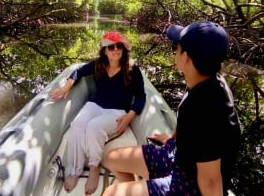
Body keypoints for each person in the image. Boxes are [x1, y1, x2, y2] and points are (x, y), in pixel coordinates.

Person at [102, 21, 241, 196]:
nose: (174, 51)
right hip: (178, 155)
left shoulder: (207, 109)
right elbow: (187, 118)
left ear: (187, 57)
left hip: (191, 183)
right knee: (111, 158)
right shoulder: (202, 79)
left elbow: (211, 181)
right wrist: (173, 138)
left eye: (177, 47)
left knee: (112, 193)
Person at [50, 31, 146, 195]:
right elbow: (78, 72)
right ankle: (75, 170)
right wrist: (67, 86)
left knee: (94, 127)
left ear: (123, 49)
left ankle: (94, 167)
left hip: (117, 110)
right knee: (78, 124)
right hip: (95, 104)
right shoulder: (98, 64)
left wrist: (130, 116)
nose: (115, 50)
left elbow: (140, 96)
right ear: (104, 50)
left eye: (119, 46)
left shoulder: (132, 69)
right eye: (111, 47)